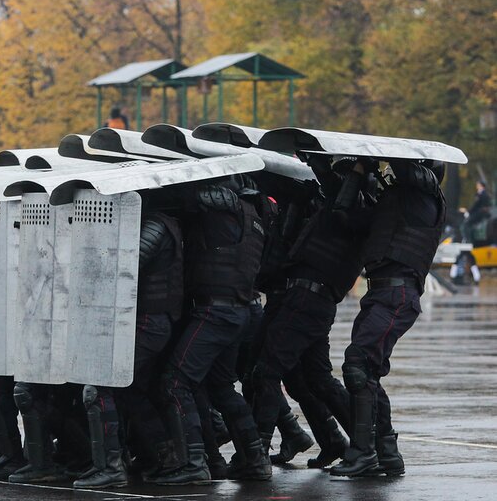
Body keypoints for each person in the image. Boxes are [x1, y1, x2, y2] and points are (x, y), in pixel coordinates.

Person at [251, 157, 371, 468]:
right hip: (311, 301)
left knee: (266, 372)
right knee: (316, 379)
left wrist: (320, 160)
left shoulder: (356, 211)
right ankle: (360, 444)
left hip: (307, 300)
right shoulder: (347, 210)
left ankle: (255, 456)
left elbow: (338, 195)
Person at [330, 159, 446, 478]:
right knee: (366, 372)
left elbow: (408, 174)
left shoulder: (424, 198)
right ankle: (387, 453)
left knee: (358, 364)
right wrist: (354, 174)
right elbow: (344, 216)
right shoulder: (393, 207)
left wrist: (377, 159)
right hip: (380, 294)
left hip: (397, 294)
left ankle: (364, 454)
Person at [153, 175, 271, 486]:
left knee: (175, 383)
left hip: (214, 312)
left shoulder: (221, 205)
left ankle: (194, 463)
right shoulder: (254, 216)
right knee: (220, 388)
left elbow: (180, 196)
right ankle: (255, 459)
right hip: (237, 311)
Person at [74, 210, 184, 489]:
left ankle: (111, 468)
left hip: (149, 321)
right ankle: (162, 456)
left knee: (101, 386)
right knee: (132, 390)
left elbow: (127, 264)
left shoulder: (157, 224)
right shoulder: (164, 222)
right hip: (150, 320)